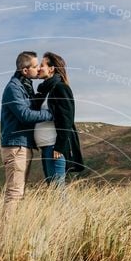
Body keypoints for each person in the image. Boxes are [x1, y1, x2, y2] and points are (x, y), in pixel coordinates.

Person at [0, 51, 53, 211]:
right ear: (25, 70)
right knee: (15, 193)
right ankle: (6, 234)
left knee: (19, 193)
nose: (38, 69)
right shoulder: (13, 88)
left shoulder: (26, 86)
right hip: (16, 147)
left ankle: (11, 231)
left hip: (23, 145)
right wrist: (52, 114)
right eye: (35, 66)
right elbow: (24, 115)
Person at [32, 51, 85, 185]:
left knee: (57, 191)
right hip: (46, 148)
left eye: (42, 65)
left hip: (54, 148)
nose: (38, 68)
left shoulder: (60, 88)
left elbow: (66, 118)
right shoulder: (46, 91)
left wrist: (59, 147)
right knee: (52, 189)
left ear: (51, 69)